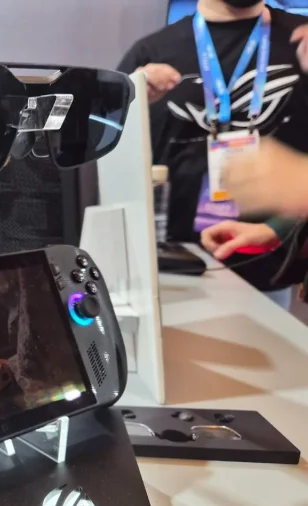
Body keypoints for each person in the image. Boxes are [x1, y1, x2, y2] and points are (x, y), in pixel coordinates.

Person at [117, 0, 308, 310]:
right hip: (173, 268)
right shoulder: (153, 52)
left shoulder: (301, 39)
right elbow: (107, 154)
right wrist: (131, 95)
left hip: (268, 266)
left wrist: (278, 230)